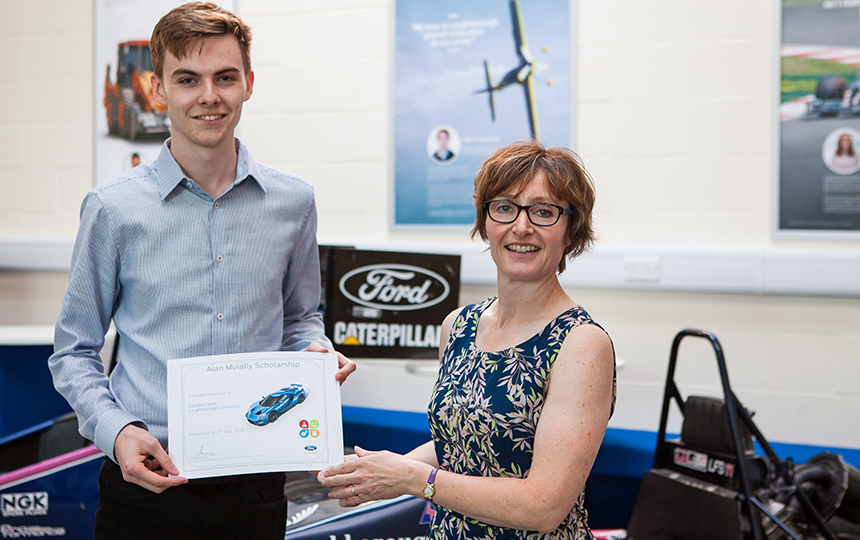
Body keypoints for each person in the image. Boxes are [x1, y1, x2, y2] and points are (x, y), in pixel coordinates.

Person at [48, 3, 355, 539]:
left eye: (225, 77)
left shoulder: (294, 202)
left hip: (256, 483)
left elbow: (302, 319)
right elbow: (73, 352)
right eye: (187, 79)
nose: (208, 96)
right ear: (158, 89)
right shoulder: (113, 209)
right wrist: (117, 432)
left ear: (249, 84)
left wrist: (316, 352)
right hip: (146, 485)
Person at [318, 141, 615, 539]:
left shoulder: (581, 344)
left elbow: (543, 506)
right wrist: (370, 473)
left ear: (571, 227)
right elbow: (459, 446)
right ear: (485, 220)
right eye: (505, 208)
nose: (521, 227)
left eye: (543, 212)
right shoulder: (459, 325)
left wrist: (411, 478)